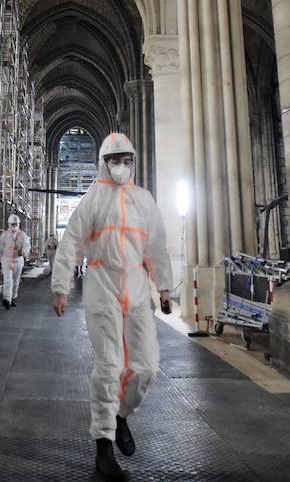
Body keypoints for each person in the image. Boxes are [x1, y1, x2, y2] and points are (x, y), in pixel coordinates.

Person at [51, 133, 172, 482]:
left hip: (135, 285)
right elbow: (71, 241)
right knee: (109, 366)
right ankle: (103, 447)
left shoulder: (143, 200)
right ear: (104, 162)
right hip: (101, 284)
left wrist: (163, 286)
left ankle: (120, 415)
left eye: (127, 160)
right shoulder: (93, 199)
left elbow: (157, 246)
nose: (122, 166)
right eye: (115, 160)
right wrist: (61, 287)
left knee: (146, 366)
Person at [0, 213, 30, 309]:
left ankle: (13, 297)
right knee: (8, 281)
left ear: (18, 224)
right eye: (12, 225)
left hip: (18, 261)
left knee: (15, 281)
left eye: (16, 225)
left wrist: (22, 252)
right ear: (9, 224)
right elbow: (0, 248)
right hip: (7, 260)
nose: (14, 227)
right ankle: (7, 299)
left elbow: (27, 247)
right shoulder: (4, 235)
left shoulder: (23, 235)